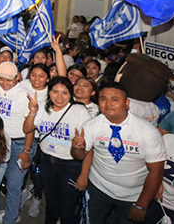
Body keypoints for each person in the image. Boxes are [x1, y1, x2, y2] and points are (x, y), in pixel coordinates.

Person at [71, 82, 167, 224]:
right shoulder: (91, 125)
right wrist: (77, 148)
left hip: (133, 195)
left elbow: (156, 172)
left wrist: (142, 204)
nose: (108, 103)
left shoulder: (147, 131)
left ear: (127, 103)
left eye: (115, 99)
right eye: (103, 99)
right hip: (99, 189)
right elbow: (79, 156)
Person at [23, 76, 92, 224]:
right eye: (55, 91)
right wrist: (33, 111)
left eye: (64, 92)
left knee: (67, 207)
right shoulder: (42, 107)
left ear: (70, 94)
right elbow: (27, 128)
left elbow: (89, 148)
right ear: (49, 92)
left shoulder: (79, 111)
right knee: (51, 202)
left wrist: (84, 175)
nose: (59, 97)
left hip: (70, 165)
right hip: (46, 161)